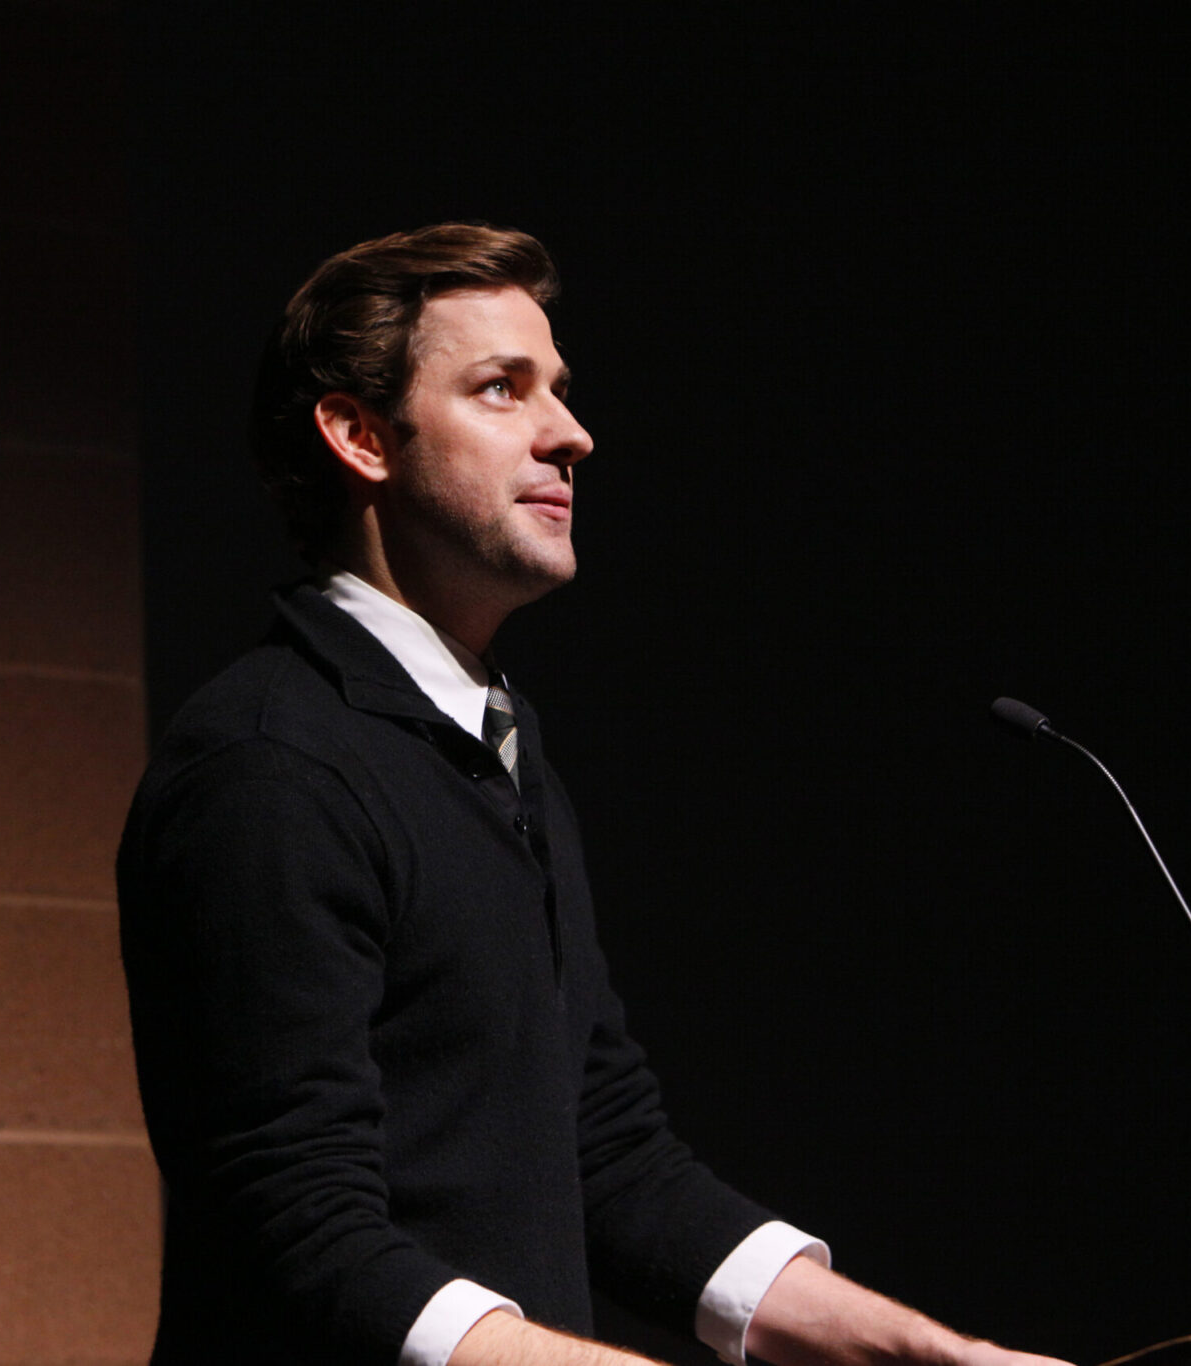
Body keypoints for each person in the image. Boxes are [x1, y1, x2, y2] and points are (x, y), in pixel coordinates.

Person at [117, 223, 1068, 1366]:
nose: (570, 434)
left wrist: (935, 1358)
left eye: (556, 391)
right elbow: (300, 1235)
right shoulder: (272, 765)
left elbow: (606, 1154)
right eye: (500, 389)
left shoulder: (490, 744)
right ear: (359, 434)